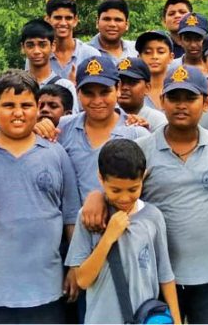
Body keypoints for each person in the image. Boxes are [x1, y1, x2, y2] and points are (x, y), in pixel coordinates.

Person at [81, 65, 208, 323]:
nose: (181, 105)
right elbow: (120, 190)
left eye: (190, 98)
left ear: (207, 102)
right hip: (157, 275)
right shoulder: (144, 148)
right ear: (161, 100)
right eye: (174, 98)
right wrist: (95, 196)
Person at [0, 70, 80, 323]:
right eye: (9, 105)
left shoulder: (56, 154)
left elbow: (70, 217)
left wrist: (75, 266)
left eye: (26, 105)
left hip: (45, 290)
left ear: (37, 108)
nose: (18, 113)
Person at [65, 138, 181, 324]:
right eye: (116, 190)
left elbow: (165, 274)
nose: (125, 198)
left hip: (145, 318)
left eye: (133, 189)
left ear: (143, 178)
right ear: (101, 179)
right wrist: (108, 237)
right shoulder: (89, 217)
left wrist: (176, 319)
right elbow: (82, 280)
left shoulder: (153, 217)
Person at [57, 56, 149, 202]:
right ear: (77, 92)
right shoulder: (62, 128)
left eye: (105, 92)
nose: (97, 101)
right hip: (75, 223)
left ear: (118, 89)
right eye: (88, 93)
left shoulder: (136, 133)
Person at [20, 18, 79, 111]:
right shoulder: (16, 85)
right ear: (23, 48)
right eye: (30, 45)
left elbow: (71, 122)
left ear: (53, 46)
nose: (36, 51)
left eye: (42, 45)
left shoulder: (65, 86)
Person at [44, 0, 100, 81]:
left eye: (68, 18)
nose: (63, 23)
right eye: (58, 18)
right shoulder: (39, 55)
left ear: (75, 20)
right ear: (47, 20)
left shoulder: (91, 55)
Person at [116, 57, 167, 132]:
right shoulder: (105, 115)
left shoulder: (158, 120)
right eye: (120, 82)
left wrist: (146, 134)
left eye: (132, 82)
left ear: (147, 88)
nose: (124, 87)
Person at [135, 30, 175, 109]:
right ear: (139, 57)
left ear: (171, 57)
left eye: (161, 52)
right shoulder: (134, 92)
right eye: (147, 52)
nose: (154, 56)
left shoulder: (180, 88)